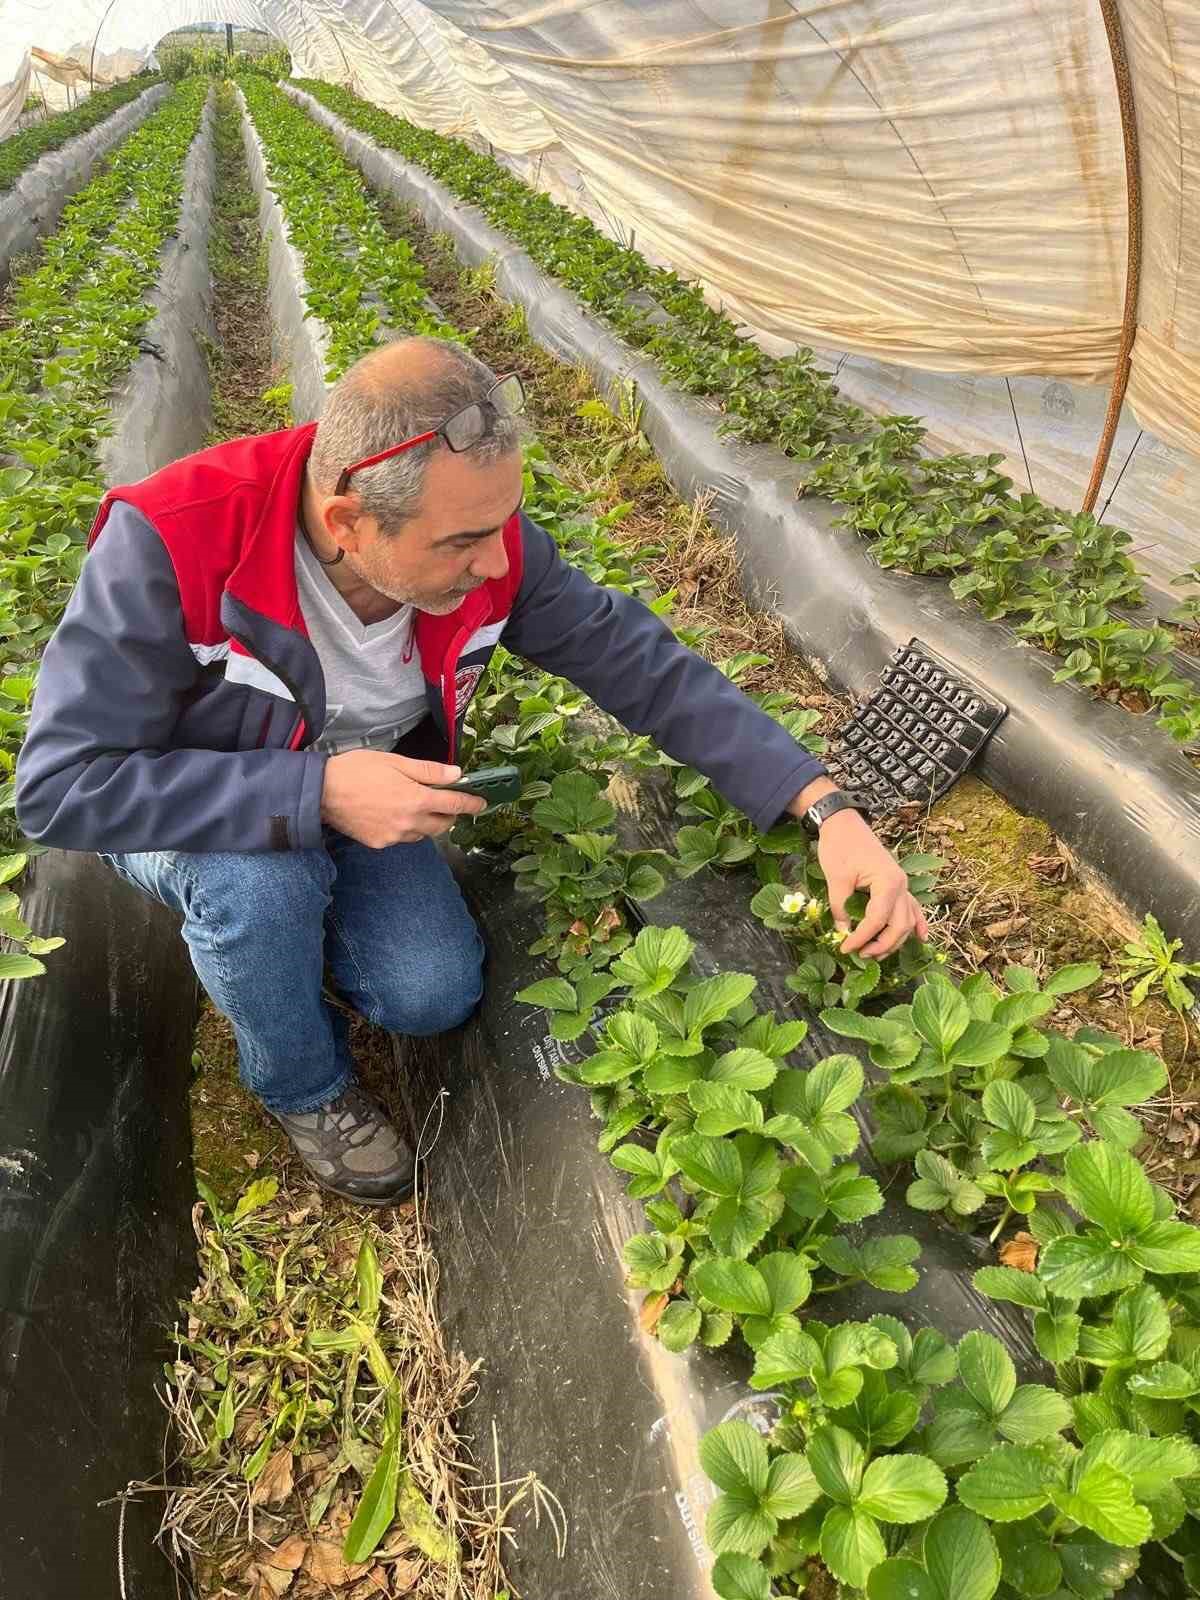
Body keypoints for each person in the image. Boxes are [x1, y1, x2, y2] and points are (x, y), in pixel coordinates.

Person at [15, 336, 927, 1206]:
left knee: (428, 994)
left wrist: (824, 807)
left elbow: (644, 668)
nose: (496, 562)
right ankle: (300, 1082)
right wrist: (317, 792)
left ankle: (285, 943)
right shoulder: (175, 540)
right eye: (462, 542)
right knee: (261, 886)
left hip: (361, 796)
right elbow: (60, 786)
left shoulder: (490, 547)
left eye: (502, 526)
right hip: (192, 811)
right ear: (348, 520)